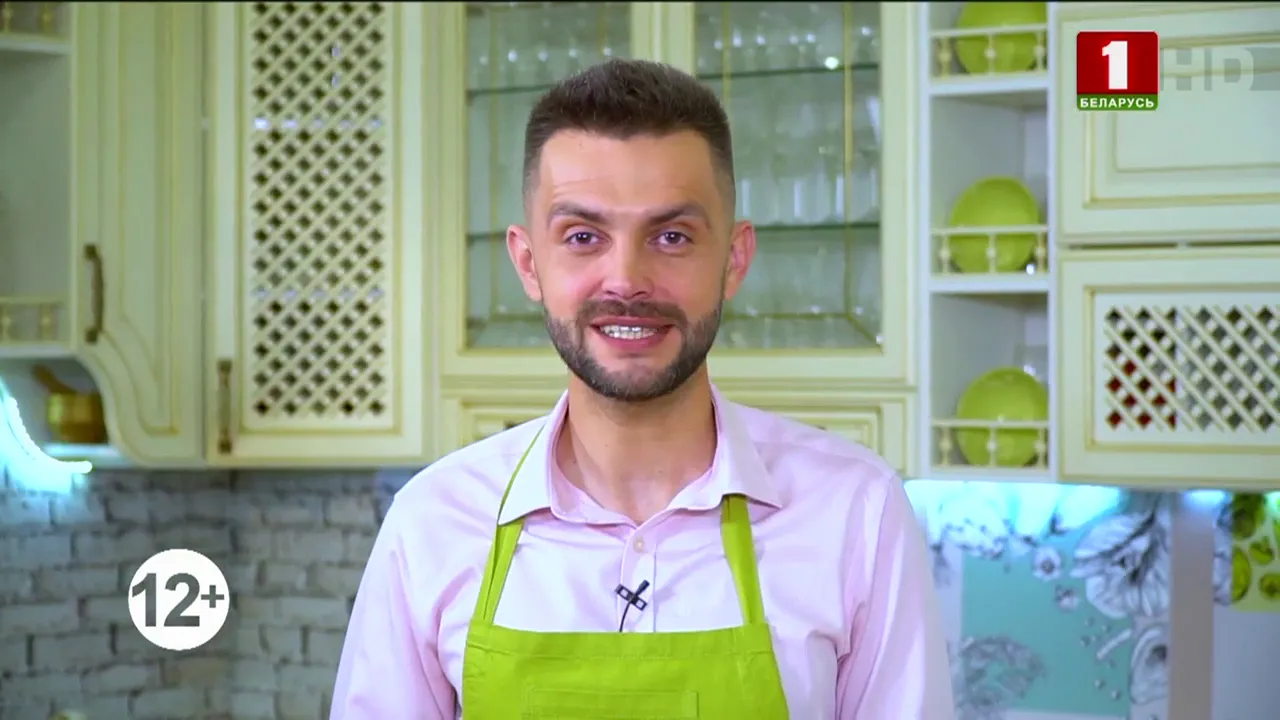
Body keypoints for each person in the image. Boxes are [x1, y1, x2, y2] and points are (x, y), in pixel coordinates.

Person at [330, 59, 954, 719]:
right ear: (528, 263)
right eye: (582, 237)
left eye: (672, 236)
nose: (627, 279)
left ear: (734, 259)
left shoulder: (856, 513)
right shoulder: (433, 521)